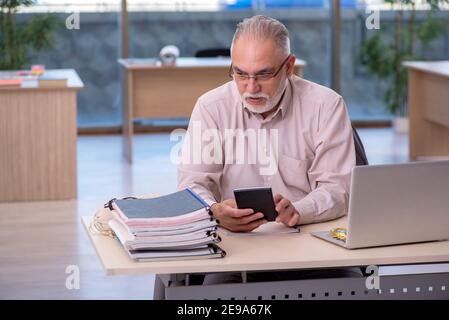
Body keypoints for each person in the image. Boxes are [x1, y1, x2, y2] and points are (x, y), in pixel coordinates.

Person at [177, 15, 359, 284]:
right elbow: (192, 184)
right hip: (237, 251)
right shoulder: (211, 107)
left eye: (263, 74)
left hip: (313, 246)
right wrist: (214, 211)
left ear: (289, 67)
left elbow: (338, 189)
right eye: (240, 73)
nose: (251, 88)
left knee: (349, 288)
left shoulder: (325, 106)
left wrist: (299, 210)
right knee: (214, 293)